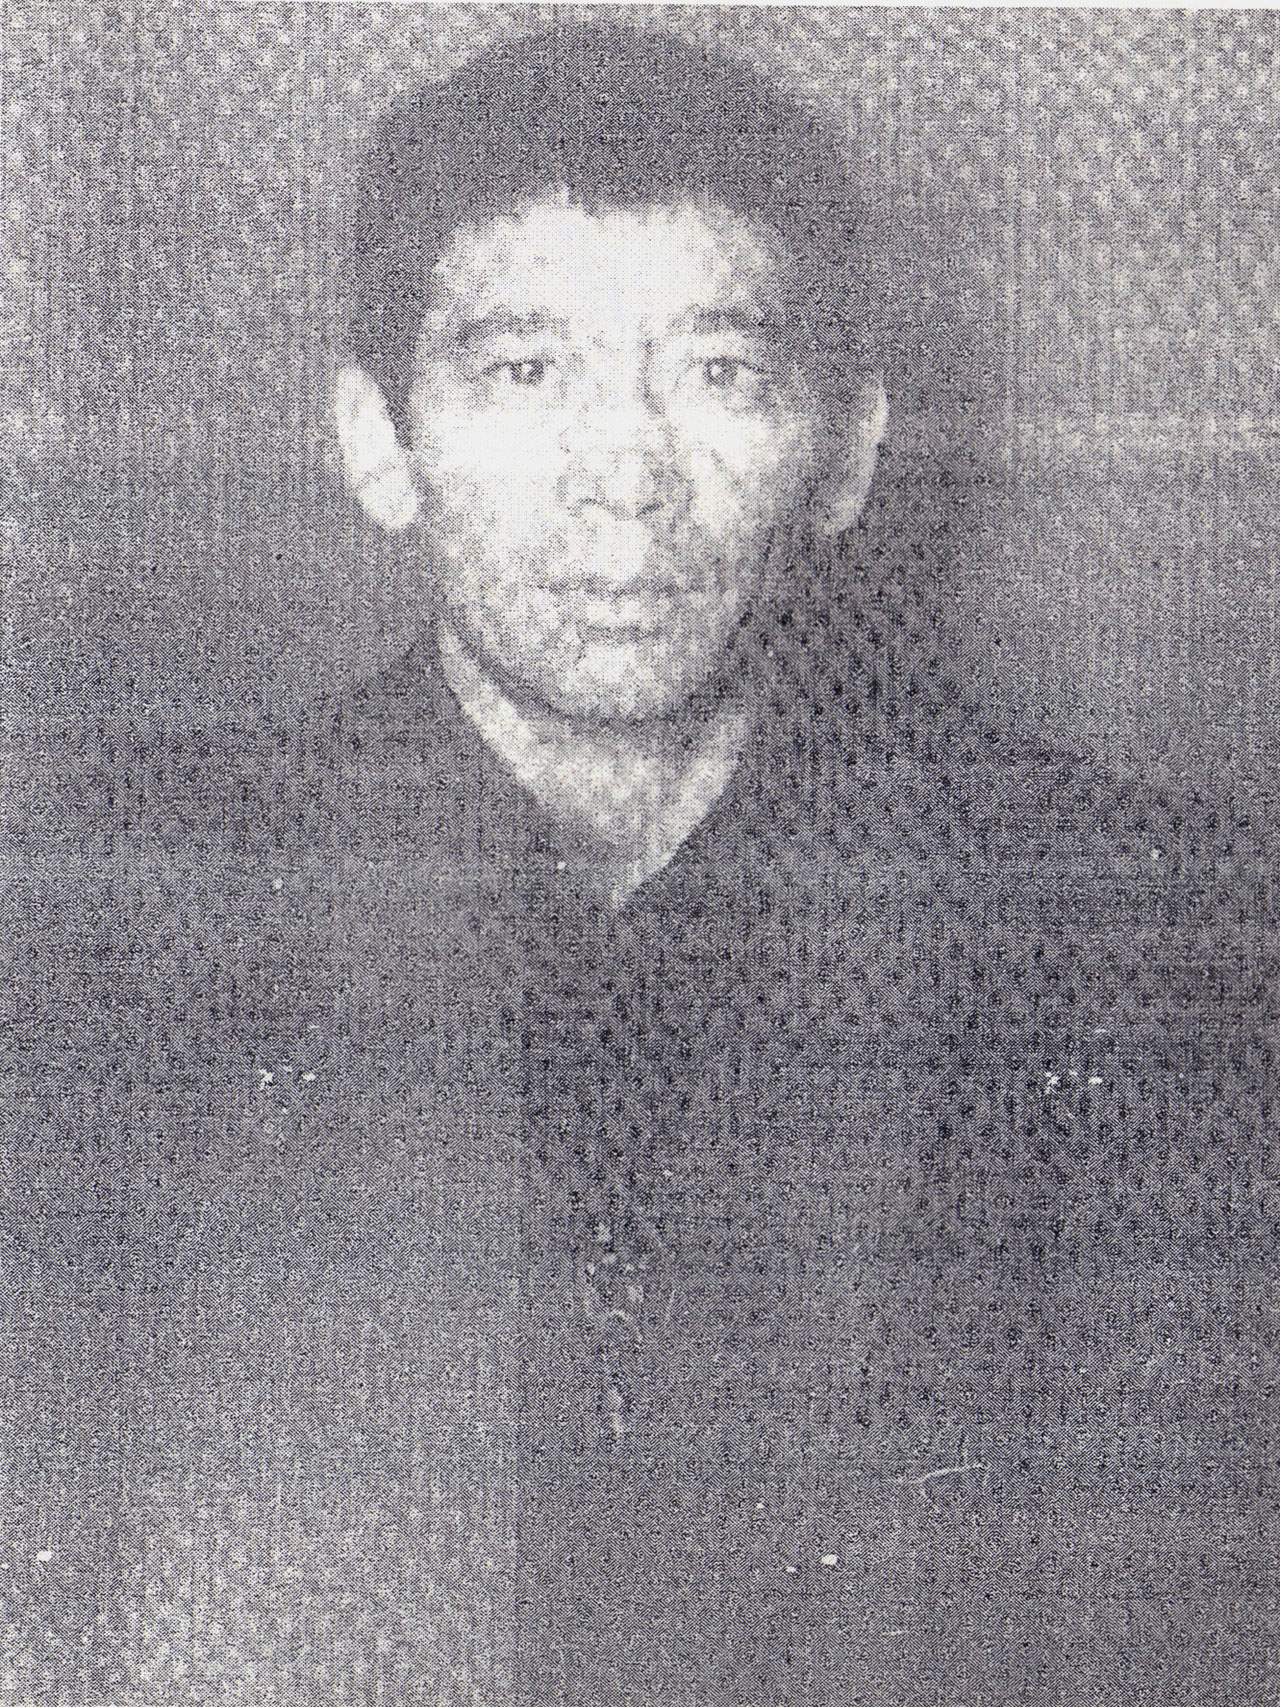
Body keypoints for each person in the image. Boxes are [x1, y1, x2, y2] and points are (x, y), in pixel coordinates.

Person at [4, 23, 1273, 1705]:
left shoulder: (1131, 932)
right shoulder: (100, 928)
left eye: (719, 375)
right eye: (526, 372)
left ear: (846, 451)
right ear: (377, 441)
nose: (625, 479)